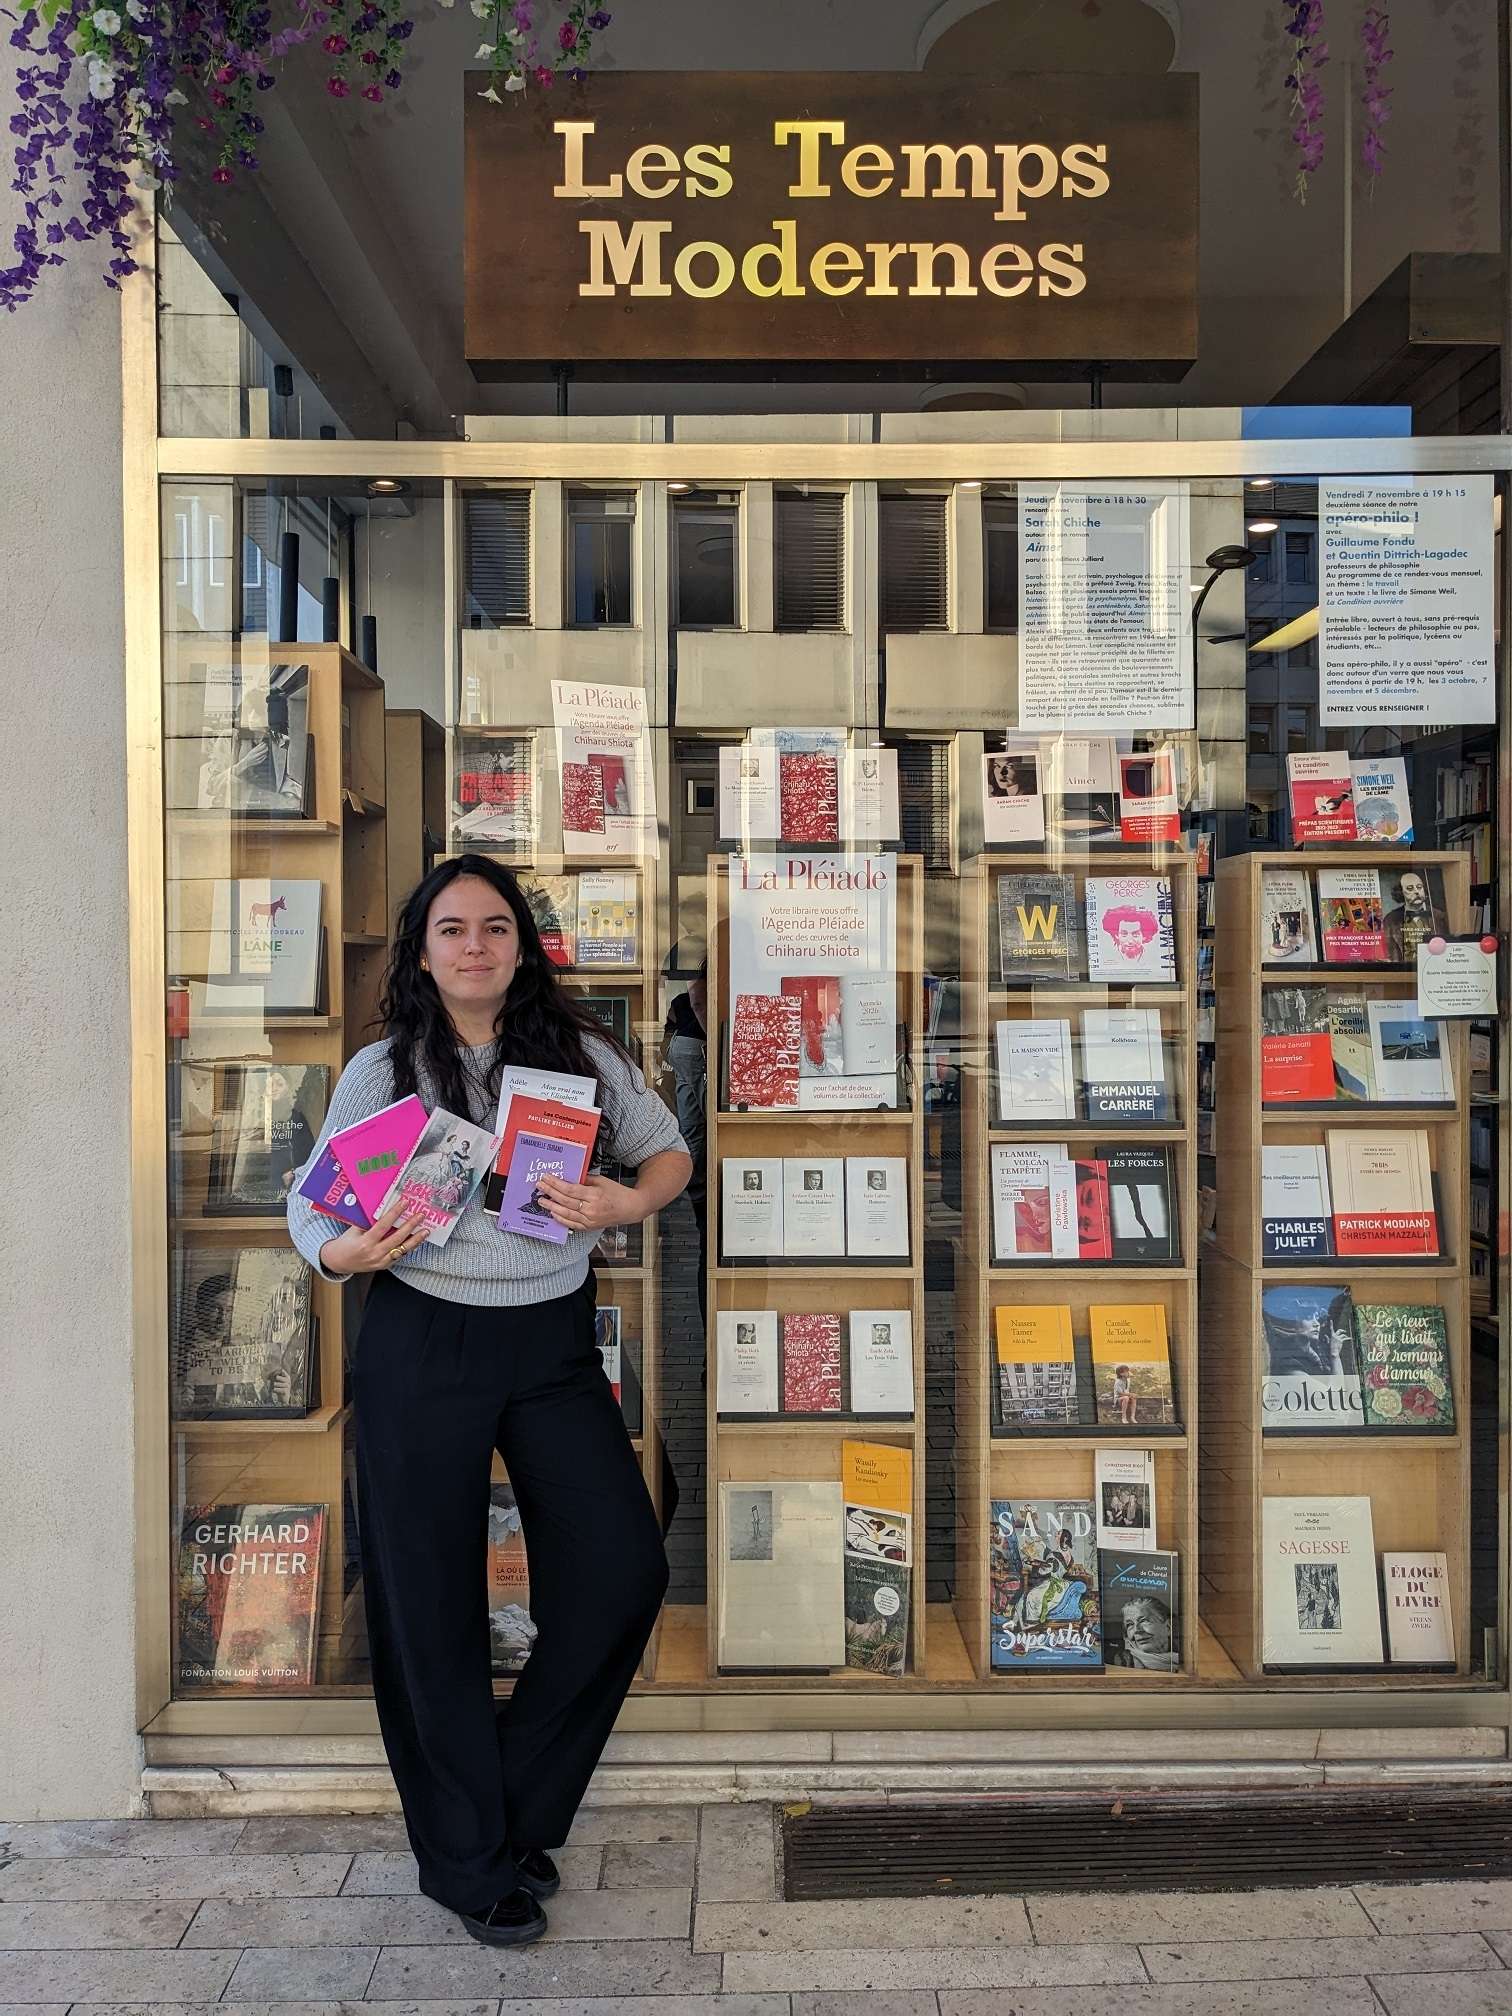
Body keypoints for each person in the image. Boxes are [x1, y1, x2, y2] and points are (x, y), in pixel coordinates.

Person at [285, 854, 690, 1949]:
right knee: (428, 1600)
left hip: (552, 1342)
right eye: (453, 930)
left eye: (496, 928)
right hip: (422, 1340)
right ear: (422, 949)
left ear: (523, 945)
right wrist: (343, 1250)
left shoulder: (585, 1054)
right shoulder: (385, 1068)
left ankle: (511, 1801)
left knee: (622, 1564)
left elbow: (671, 1158)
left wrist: (623, 1196)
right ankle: (467, 1861)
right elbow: (307, 1204)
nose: (475, 947)